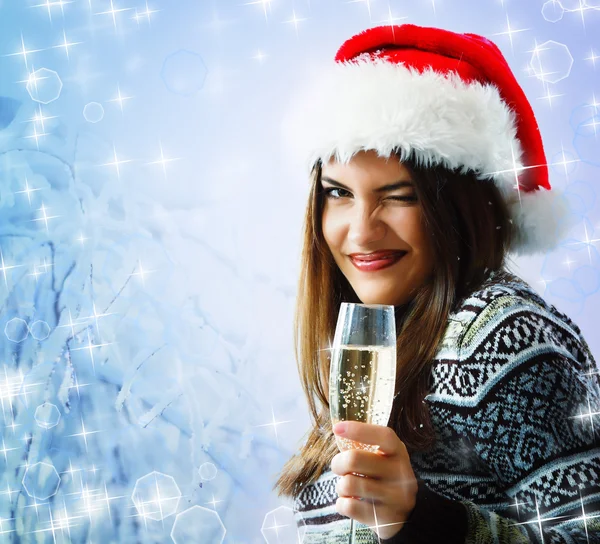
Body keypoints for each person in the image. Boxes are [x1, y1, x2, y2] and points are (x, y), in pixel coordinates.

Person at [273, 24, 600, 543]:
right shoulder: (385, 339)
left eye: (399, 196)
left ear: (458, 207)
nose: (360, 230)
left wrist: (423, 521)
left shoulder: (501, 337)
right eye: (338, 193)